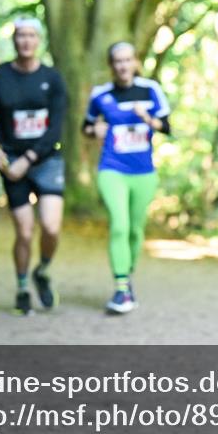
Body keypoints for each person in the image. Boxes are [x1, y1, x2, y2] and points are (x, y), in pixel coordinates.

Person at [0, 18, 67, 315]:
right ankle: (23, 286)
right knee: (24, 232)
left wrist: (29, 159)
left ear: (39, 41)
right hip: (10, 162)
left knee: (50, 227)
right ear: (14, 40)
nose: (26, 41)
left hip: (46, 160)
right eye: (20, 35)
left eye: (31, 35)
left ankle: (43, 270)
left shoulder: (53, 79)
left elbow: (56, 128)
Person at [82, 41, 171, 314]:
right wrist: (93, 130)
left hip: (143, 172)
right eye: (117, 61)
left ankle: (127, 272)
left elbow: (166, 126)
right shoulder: (100, 94)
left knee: (134, 229)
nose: (122, 65)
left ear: (135, 62)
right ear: (111, 65)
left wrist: (148, 119)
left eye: (127, 60)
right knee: (119, 225)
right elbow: (86, 126)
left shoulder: (150, 89)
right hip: (112, 169)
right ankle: (121, 287)